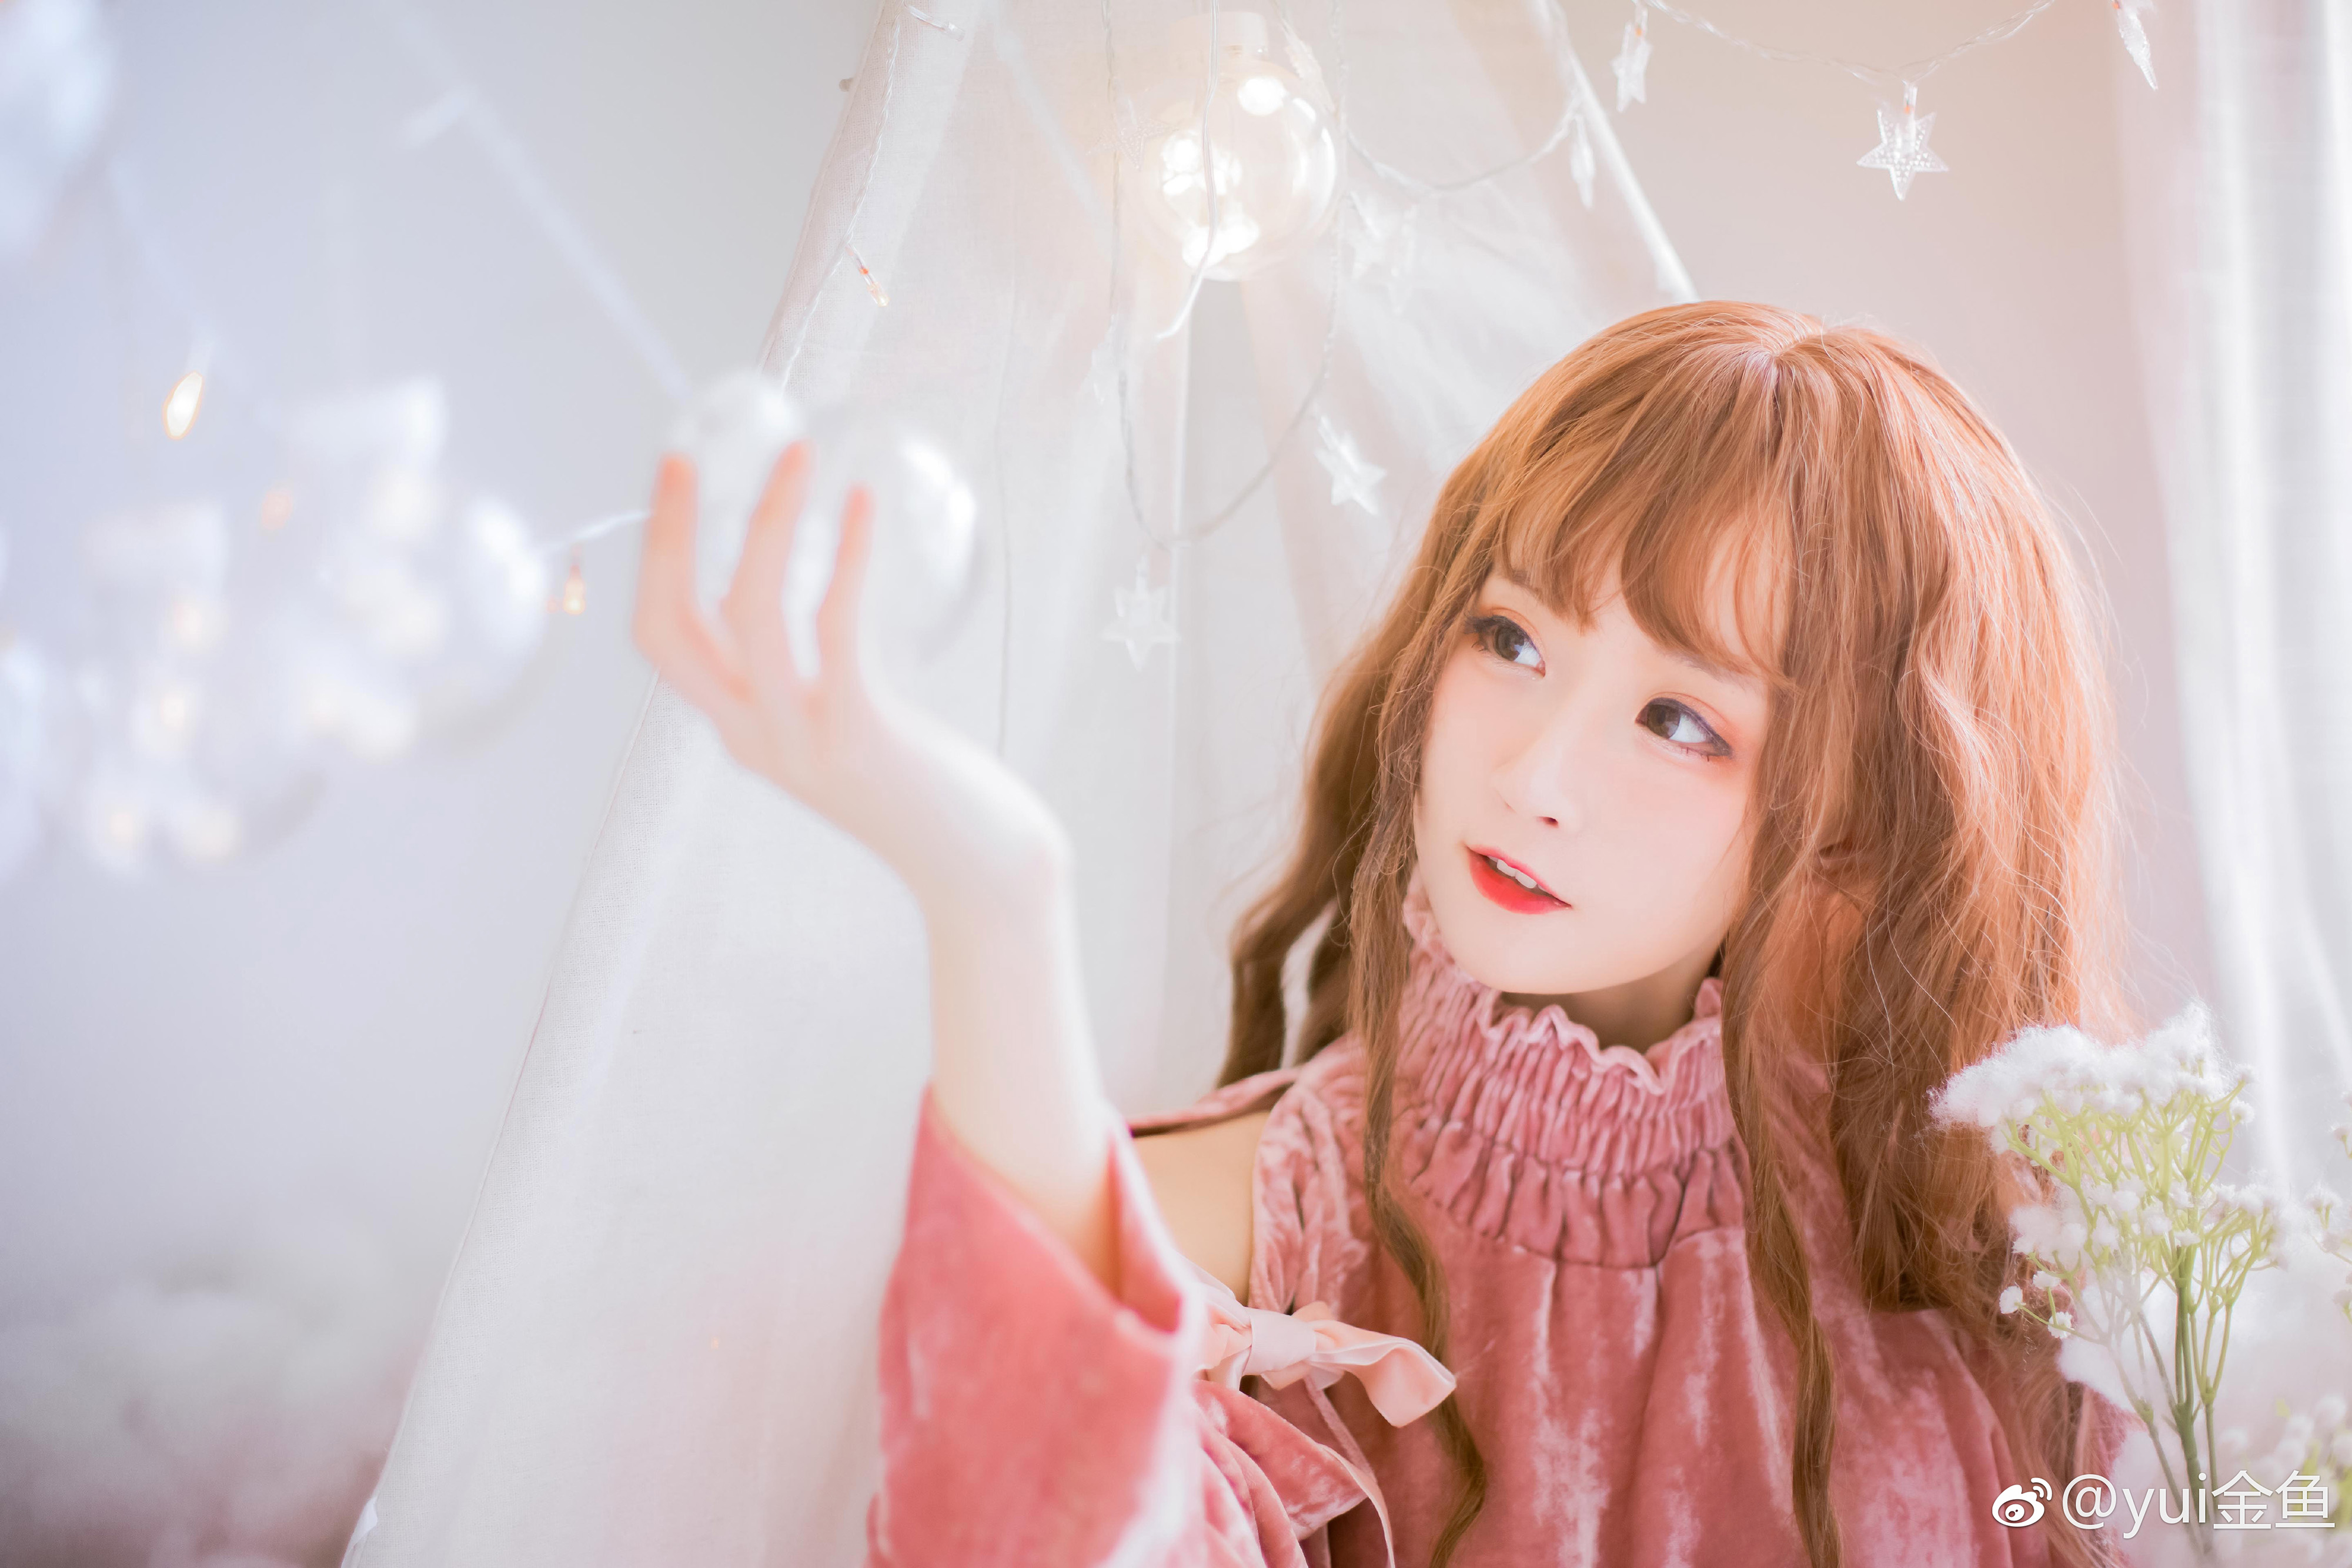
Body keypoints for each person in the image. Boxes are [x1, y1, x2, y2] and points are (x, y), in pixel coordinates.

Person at [631, 302, 2131, 1567]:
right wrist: (996, 897)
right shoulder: (1265, 1232)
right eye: (1510, 637)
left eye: (1678, 719)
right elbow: (1025, 1514)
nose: (1532, 775)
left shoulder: (1963, 1249)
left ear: (1860, 819)